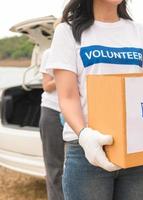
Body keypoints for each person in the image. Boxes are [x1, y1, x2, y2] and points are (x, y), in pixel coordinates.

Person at [46, 0, 143, 199]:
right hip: (86, 153)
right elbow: (68, 96)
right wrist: (84, 134)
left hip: (137, 150)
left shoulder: (141, 33)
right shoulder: (67, 31)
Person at [39, 20, 64, 200]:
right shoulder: (49, 54)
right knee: (54, 167)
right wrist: (65, 76)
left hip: (73, 113)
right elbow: (47, 86)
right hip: (52, 111)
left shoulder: (77, 51)